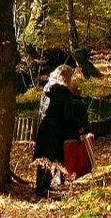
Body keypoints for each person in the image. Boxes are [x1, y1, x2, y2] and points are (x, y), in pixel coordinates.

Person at [33, 65, 89, 197]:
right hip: (56, 131)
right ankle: (43, 186)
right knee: (54, 158)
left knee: (43, 158)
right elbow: (67, 116)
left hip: (44, 127)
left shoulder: (47, 88)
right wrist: (79, 125)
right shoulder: (64, 93)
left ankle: (40, 185)